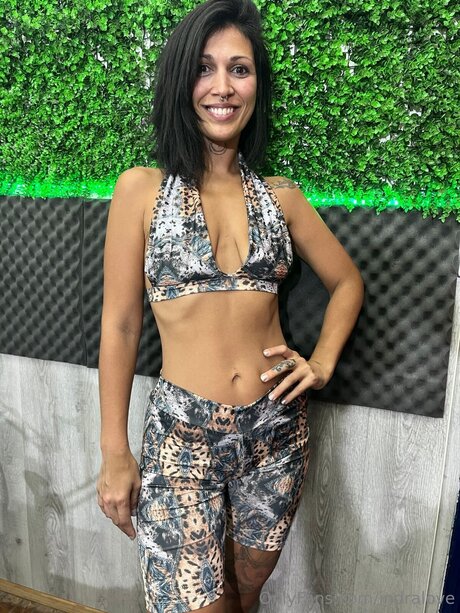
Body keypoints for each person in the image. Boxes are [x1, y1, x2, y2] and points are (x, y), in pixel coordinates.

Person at [96, 0, 364, 611]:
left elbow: (348, 282)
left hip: (276, 432)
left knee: (245, 593)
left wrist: (321, 363)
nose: (222, 86)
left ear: (255, 86)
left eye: (239, 69)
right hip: (181, 440)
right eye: (205, 68)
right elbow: (121, 323)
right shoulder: (140, 189)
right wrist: (114, 450)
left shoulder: (281, 196)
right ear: (181, 82)